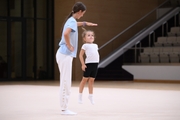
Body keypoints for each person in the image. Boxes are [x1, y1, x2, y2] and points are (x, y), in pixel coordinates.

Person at [56, 2, 97, 115]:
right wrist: (69, 45)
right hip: (65, 55)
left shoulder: (71, 20)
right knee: (65, 82)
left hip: (63, 54)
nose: (82, 15)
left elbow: (75, 24)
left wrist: (86, 23)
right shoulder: (71, 21)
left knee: (65, 81)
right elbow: (66, 33)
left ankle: (64, 107)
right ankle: (64, 109)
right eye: (83, 13)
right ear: (79, 12)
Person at [78, 28, 99, 105]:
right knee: (84, 80)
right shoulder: (85, 45)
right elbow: (80, 55)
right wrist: (83, 64)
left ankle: (91, 96)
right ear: (84, 38)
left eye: (92, 35)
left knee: (91, 80)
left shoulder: (95, 45)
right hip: (88, 64)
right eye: (89, 35)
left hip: (95, 64)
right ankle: (80, 96)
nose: (91, 37)